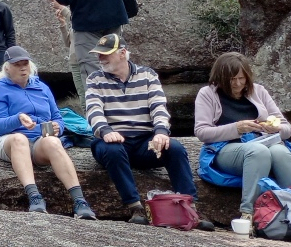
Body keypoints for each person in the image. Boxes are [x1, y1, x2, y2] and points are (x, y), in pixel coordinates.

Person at [86, 35, 210, 228]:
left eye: (106, 54)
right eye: (99, 54)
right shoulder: (95, 79)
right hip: (112, 141)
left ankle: (190, 206)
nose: (101, 58)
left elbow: (159, 108)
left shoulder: (148, 75)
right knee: (112, 150)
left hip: (145, 142)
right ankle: (135, 206)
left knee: (175, 148)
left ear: (123, 53)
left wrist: (161, 132)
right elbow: (93, 111)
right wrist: (105, 130)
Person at [0, 46, 96, 219]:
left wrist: (57, 127)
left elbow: (58, 118)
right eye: (17, 65)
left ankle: (80, 201)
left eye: (26, 64)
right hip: (10, 141)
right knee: (19, 139)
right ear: (7, 67)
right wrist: (18, 118)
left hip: (39, 140)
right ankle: (35, 197)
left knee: (54, 142)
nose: (23, 68)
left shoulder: (42, 87)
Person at [194, 52, 291, 221]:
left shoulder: (259, 91)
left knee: (281, 153)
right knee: (258, 152)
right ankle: (249, 214)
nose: (237, 83)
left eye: (241, 78)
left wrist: (274, 129)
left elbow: (287, 128)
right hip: (225, 149)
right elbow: (202, 132)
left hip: (263, 142)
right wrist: (237, 128)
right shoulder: (207, 94)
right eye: (231, 79)